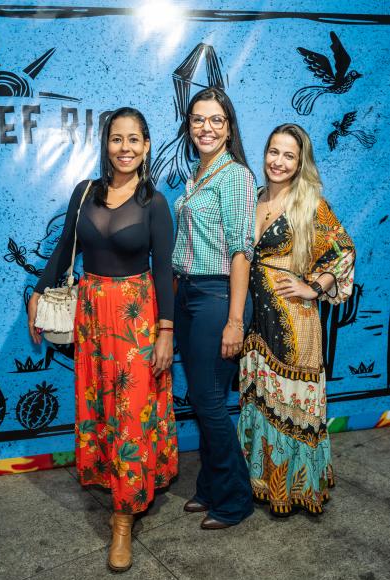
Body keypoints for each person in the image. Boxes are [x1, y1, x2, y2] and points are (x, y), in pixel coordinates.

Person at [28, 107, 178, 570]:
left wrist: (166, 332)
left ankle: (123, 519)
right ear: (106, 144)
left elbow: (164, 271)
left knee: (131, 413)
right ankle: (108, 478)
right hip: (92, 316)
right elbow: (64, 248)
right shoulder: (85, 192)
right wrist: (38, 292)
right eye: (117, 139)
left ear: (146, 146)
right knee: (100, 405)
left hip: (136, 319)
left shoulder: (155, 203)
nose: (124, 148)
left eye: (134, 139)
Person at [238, 123, 355, 516]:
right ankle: (259, 482)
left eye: (289, 155)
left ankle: (294, 488)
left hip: (294, 322)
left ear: (301, 162)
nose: (279, 161)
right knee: (260, 399)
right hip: (255, 324)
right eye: (274, 151)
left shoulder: (310, 204)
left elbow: (343, 250)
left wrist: (314, 288)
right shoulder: (253, 199)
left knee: (290, 404)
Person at [173, 87, 257, 529]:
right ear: (189, 126)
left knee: (208, 401)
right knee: (205, 400)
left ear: (228, 128)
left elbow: (242, 252)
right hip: (188, 295)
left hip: (218, 297)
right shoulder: (197, 174)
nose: (206, 127)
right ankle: (210, 487)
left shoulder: (236, 176)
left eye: (216, 120)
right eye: (198, 119)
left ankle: (235, 498)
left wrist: (235, 322)